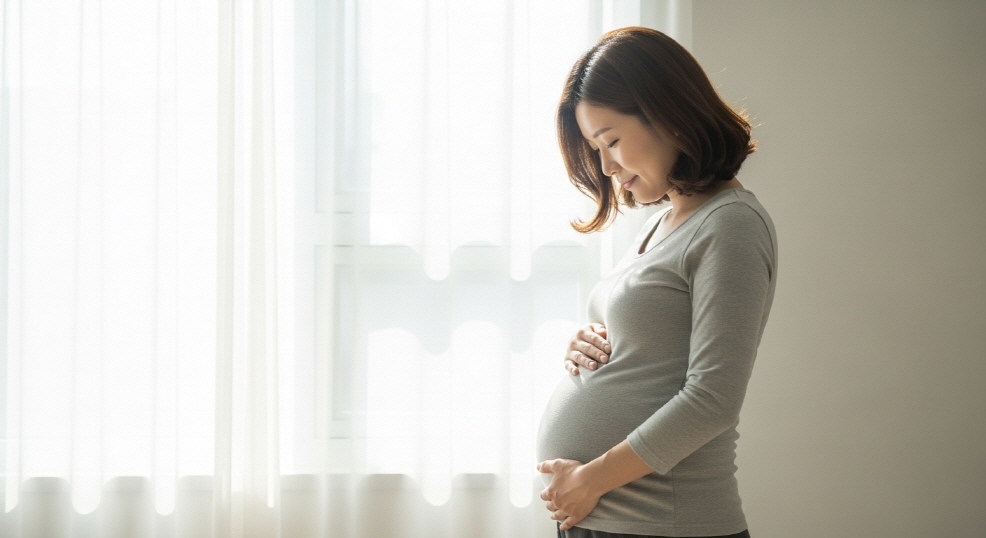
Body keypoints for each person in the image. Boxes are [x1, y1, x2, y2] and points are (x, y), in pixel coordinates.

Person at [535, 27, 777, 538]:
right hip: (612, 521)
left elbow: (713, 397)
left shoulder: (729, 224)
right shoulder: (663, 221)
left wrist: (589, 479)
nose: (604, 167)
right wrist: (590, 343)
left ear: (669, 115)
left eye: (611, 141)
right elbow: (652, 347)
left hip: (663, 525)